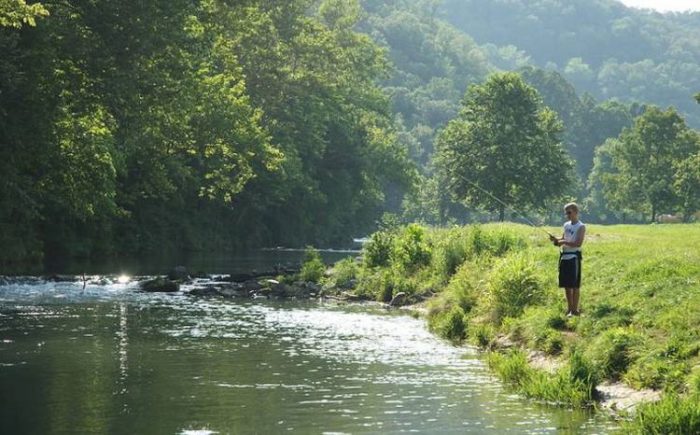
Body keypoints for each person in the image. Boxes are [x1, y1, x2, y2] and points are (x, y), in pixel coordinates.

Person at [549, 202, 586, 317]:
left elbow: (578, 243)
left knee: (575, 285)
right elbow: (563, 239)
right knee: (566, 285)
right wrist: (556, 240)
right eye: (566, 213)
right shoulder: (566, 225)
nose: (567, 215)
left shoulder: (581, 227)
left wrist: (563, 242)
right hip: (564, 257)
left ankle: (575, 310)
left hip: (574, 257)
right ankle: (569, 309)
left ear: (576, 212)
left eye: (569, 212)